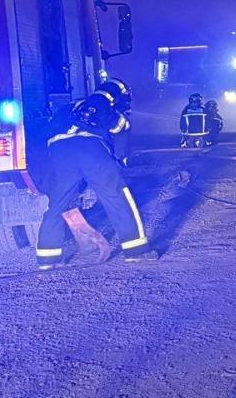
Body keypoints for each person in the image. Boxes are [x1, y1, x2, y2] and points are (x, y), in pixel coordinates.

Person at [33, 83, 157, 268]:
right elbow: (121, 137)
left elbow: (47, 133)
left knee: (56, 205)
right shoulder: (111, 111)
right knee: (117, 197)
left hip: (60, 153)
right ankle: (135, 250)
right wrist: (120, 161)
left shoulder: (68, 107)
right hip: (92, 150)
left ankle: (47, 259)